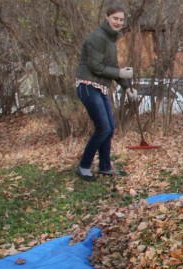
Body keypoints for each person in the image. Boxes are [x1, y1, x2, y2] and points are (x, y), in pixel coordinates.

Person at [74, 4, 134, 181]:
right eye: (115, 18)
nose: (118, 22)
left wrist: (128, 88)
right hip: (87, 86)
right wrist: (120, 73)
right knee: (103, 128)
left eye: (121, 20)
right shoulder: (97, 37)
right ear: (107, 18)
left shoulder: (110, 40)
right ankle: (84, 166)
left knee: (109, 129)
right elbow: (96, 67)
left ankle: (105, 167)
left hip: (100, 87)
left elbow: (113, 67)